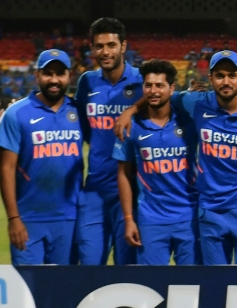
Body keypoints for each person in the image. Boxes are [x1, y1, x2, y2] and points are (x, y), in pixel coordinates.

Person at [115, 50, 237, 265]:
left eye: (232, 75)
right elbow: (159, 93)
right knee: (213, 282)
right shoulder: (195, 102)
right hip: (209, 208)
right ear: (210, 79)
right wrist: (131, 109)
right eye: (219, 76)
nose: (226, 81)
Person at [0, 50, 82, 265]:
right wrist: (14, 218)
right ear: (37, 76)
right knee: (28, 291)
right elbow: (6, 168)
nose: (54, 80)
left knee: (63, 292)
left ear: (69, 76)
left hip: (69, 218)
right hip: (28, 219)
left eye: (60, 74)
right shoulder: (16, 113)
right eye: (47, 73)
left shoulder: (79, 111)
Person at [73, 18, 144, 265]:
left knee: (127, 271)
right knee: (90, 265)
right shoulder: (87, 82)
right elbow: (83, 127)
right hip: (95, 188)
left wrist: (132, 109)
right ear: (92, 49)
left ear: (123, 46)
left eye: (111, 45)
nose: (105, 52)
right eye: (99, 46)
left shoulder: (142, 81)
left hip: (133, 190)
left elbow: (167, 106)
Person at [113, 60, 198, 266]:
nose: (153, 91)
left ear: (172, 89)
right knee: (151, 288)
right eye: (148, 85)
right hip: (151, 220)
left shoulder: (190, 121)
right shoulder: (130, 127)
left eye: (160, 85)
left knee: (191, 286)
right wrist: (129, 219)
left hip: (189, 217)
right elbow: (123, 174)